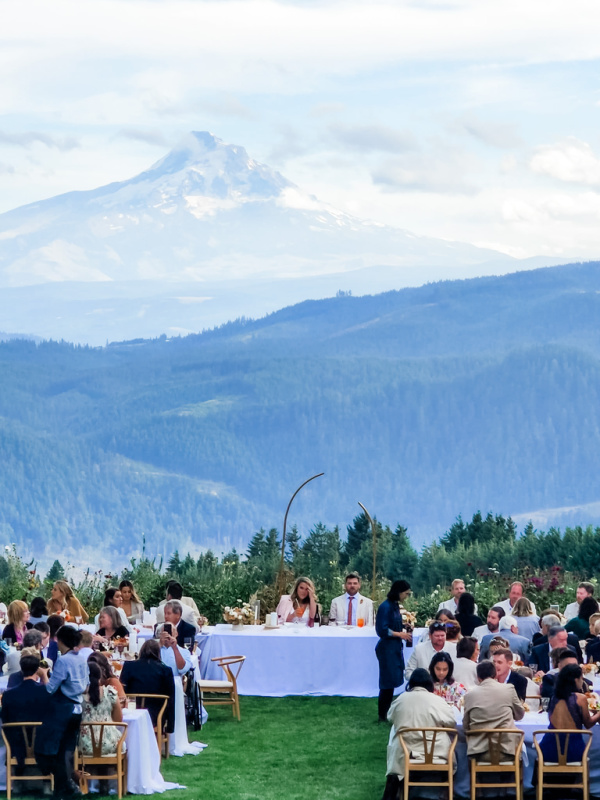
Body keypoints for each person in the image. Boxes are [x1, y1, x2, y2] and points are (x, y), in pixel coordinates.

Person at [382, 668, 456, 800]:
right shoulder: (437, 700)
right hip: (435, 753)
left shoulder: (401, 699)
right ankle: (445, 792)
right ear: (429, 683)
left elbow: (390, 717)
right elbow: (451, 721)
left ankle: (395, 791)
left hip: (406, 752)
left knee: (395, 737)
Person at [36, 625, 89, 798]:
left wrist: (44, 674)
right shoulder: (81, 658)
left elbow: (50, 688)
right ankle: (62, 789)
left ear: (62, 641)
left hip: (63, 709)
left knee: (53, 750)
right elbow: (86, 685)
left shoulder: (64, 660)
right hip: (77, 708)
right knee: (67, 750)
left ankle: (67, 784)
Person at [463, 661, 525, 762]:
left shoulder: (469, 696)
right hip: (508, 751)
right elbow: (520, 715)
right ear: (495, 674)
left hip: (480, 753)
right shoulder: (508, 689)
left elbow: (466, 726)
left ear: (478, 677)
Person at [538, 664, 600, 763]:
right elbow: (588, 723)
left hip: (549, 748)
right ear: (576, 680)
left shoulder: (554, 697)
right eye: (581, 678)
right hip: (573, 749)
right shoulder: (581, 698)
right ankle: (583, 778)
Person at [0, 653, 52, 771]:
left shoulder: (8, 695)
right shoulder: (45, 692)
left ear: (21, 669)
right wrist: (44, 676)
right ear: (37, 670)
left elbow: (5, 719)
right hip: (41, 741)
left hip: (17, 743)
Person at [375, 580, 413, 721]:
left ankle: (387, 712)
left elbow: (393, 624)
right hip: (387, 648)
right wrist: (400, 634)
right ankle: (382, 714)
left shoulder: (395, 606)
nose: (406, 596)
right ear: (399, 592)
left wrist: (404, 627)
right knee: (387, 682)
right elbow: (382, 629)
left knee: (391, 680)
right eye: (406, 593)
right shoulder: (385, 607)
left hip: (394, 647)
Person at [121, 639, 176, 735]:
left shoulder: (128, 666)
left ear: (141, 651)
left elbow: (123, 690)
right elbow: (171, 699)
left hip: (133, 711)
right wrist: (170, 726)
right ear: (158, 653)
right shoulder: (166, 670)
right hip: (155, 715)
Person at [79, 661, 123, 757]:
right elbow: (118, 719)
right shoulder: (110, 693)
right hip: (110, 742)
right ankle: (120, 769)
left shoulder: (78, 696)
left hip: (84, 744)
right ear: (100, 676)